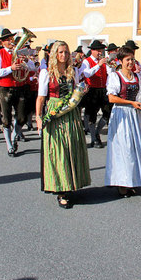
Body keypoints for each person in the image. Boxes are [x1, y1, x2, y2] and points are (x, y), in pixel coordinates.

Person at [36, 41, 91, 209]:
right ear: (54, 54)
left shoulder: (72, 71)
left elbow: (76, 91)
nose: (64, 55)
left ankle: (72, 182)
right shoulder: (46, 73)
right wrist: (38, 118)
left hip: (71, 113)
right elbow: (41, 97)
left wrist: (82, 91)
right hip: (55, 111)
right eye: (60, 52)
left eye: (66, 52)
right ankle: (61, 190)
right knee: (58, 149)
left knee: (71, 147)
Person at [105, 46, 141, 197]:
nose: (130, 62)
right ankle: (122, 183)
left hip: (134, 115)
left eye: (132, 59)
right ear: (120, 61)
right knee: (124, 149)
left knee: (135, 148)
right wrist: (131, 103)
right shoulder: (115, 76)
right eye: (128, 59)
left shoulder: (137, 76)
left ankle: (131, 181)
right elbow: (111, 98)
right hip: (121, 115)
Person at [0, 28, 36, 156]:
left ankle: (13, 135)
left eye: (11, 39)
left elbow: (33, 69)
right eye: (7, 40)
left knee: (22, 117)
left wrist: (27, 61)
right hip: (5, 88)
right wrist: (10, 68)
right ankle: (9, 145)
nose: (10, 42)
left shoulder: (20, 53)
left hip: (20, 87)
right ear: (2, 43)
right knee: (6, 119)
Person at [80, 40, 110, 148]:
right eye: (97, 50)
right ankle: (94, 138)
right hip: (92, 90)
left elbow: (109, 73)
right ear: (92, 50)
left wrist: (111, 67)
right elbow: (87, 74)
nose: (100, 52)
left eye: (100, 50)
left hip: (103, 90)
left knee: (107, 113)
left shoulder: (102, 61)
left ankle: (97, 132)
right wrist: (98, 65)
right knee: (92, 115)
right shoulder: (86, 62)